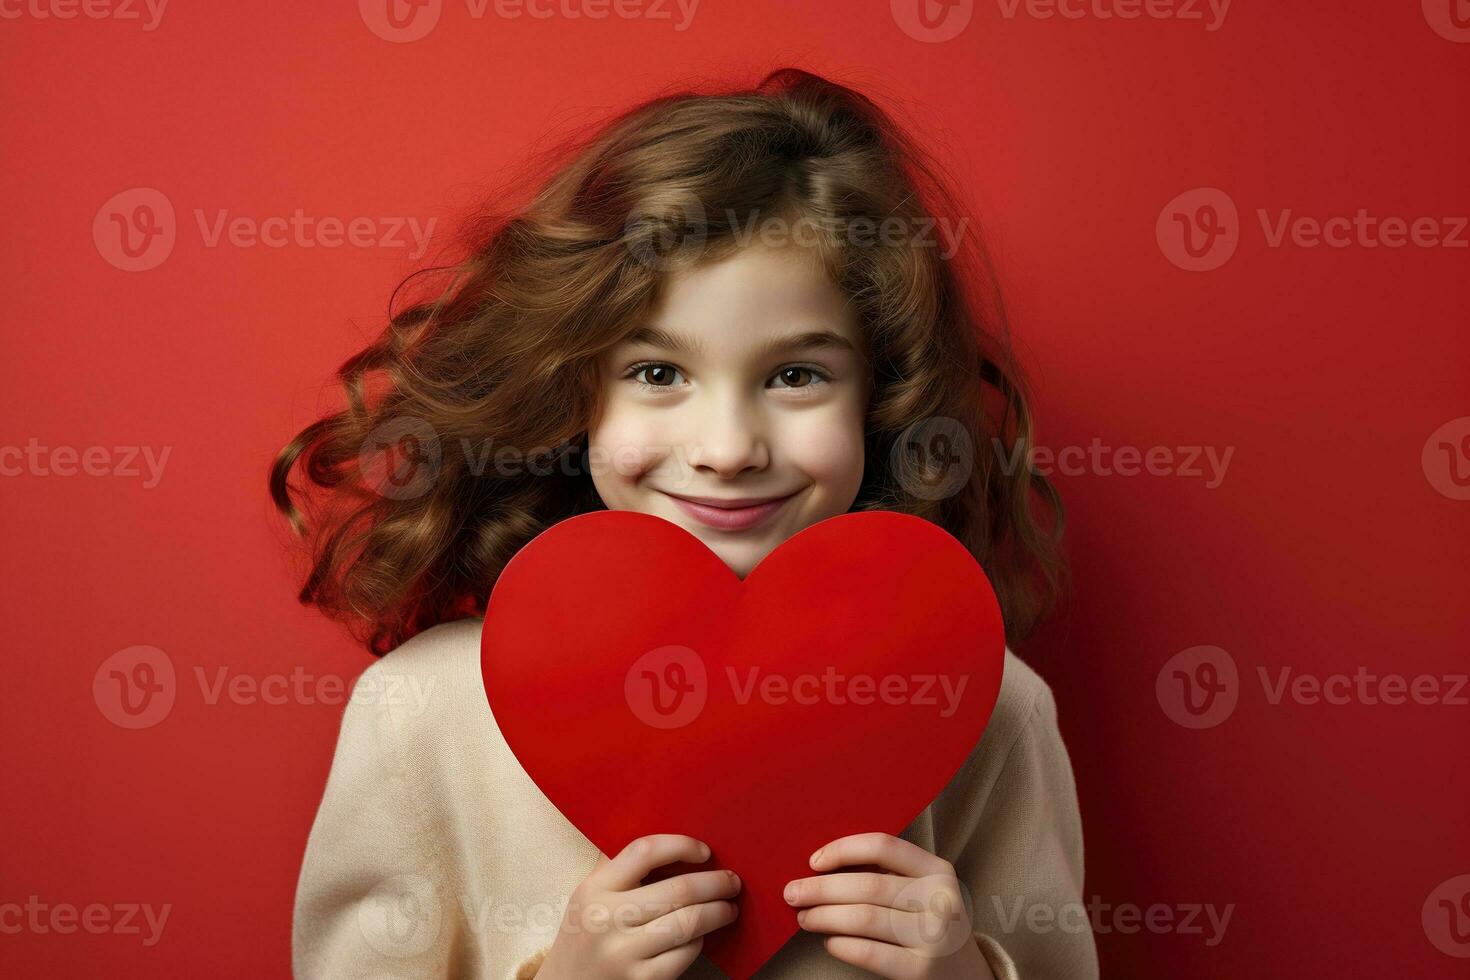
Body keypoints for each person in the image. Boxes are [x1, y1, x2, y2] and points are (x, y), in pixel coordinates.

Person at [273, 66, 1097, 979]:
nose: (728, 446)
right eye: (659, 374)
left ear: (879, 397)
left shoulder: (990, 707)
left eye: (795, 375)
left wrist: (964, 972)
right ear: (573, 389)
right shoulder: (420, 713)